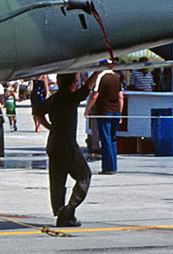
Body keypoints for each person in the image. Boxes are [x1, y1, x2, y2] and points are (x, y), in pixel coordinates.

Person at [34, 72, 92, 226]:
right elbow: (88, 87)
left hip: (53, 143)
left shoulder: (54, 98)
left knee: (57, 181)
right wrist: (99, 71)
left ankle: (60, 212)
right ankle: (68, 211)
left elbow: (38, 113)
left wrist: (51, 127)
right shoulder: (71, 98)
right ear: (72, 84)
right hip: (67, 144)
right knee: (84, 176)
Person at [88, 67, 123, 174]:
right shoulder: (116, 78)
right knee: (112, 139)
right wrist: (120, 113)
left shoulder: (101, 77)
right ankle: (114, 165)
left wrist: (87, 109)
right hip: (116, 111)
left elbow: (95, 95)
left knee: (105, 139)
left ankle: (108, 167)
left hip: (104, 111)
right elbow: (120, 97)